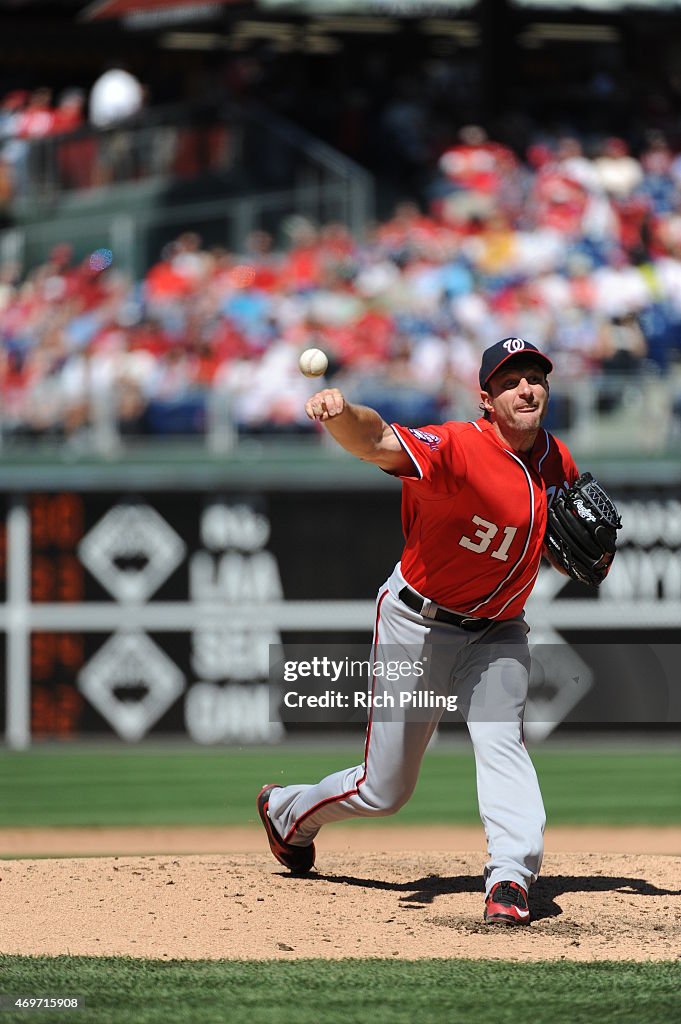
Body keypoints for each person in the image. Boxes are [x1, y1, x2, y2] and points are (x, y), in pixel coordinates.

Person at [257, 337, 579, 926]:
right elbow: (378, 440)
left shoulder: (559, 463)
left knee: (501, 740)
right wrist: (341, 413)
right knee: (385, 791)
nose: (525, 388)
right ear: (487, 397)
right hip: (417, 622)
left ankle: (510, 876)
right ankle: (286, 812)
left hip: (500, 631)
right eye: (510, 381)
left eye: (533, 377)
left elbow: (554, 551)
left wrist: (574, 557)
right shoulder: (458, 447)